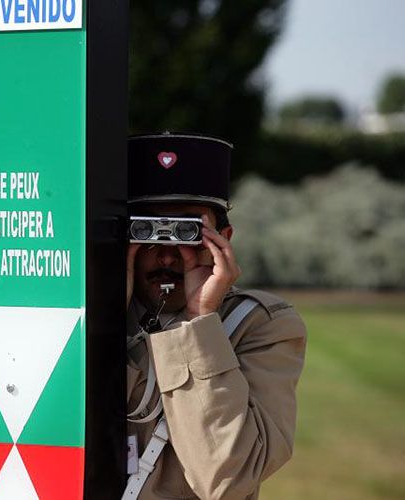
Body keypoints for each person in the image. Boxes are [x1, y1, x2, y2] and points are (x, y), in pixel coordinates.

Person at [123, 133, 307, 500]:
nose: (167, 255)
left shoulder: (261, 326)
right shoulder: (84, 319)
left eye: (187, 232)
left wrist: (199, 321)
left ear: (223, 238)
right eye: (146, 230)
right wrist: (105, 317)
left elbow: (228, 479)